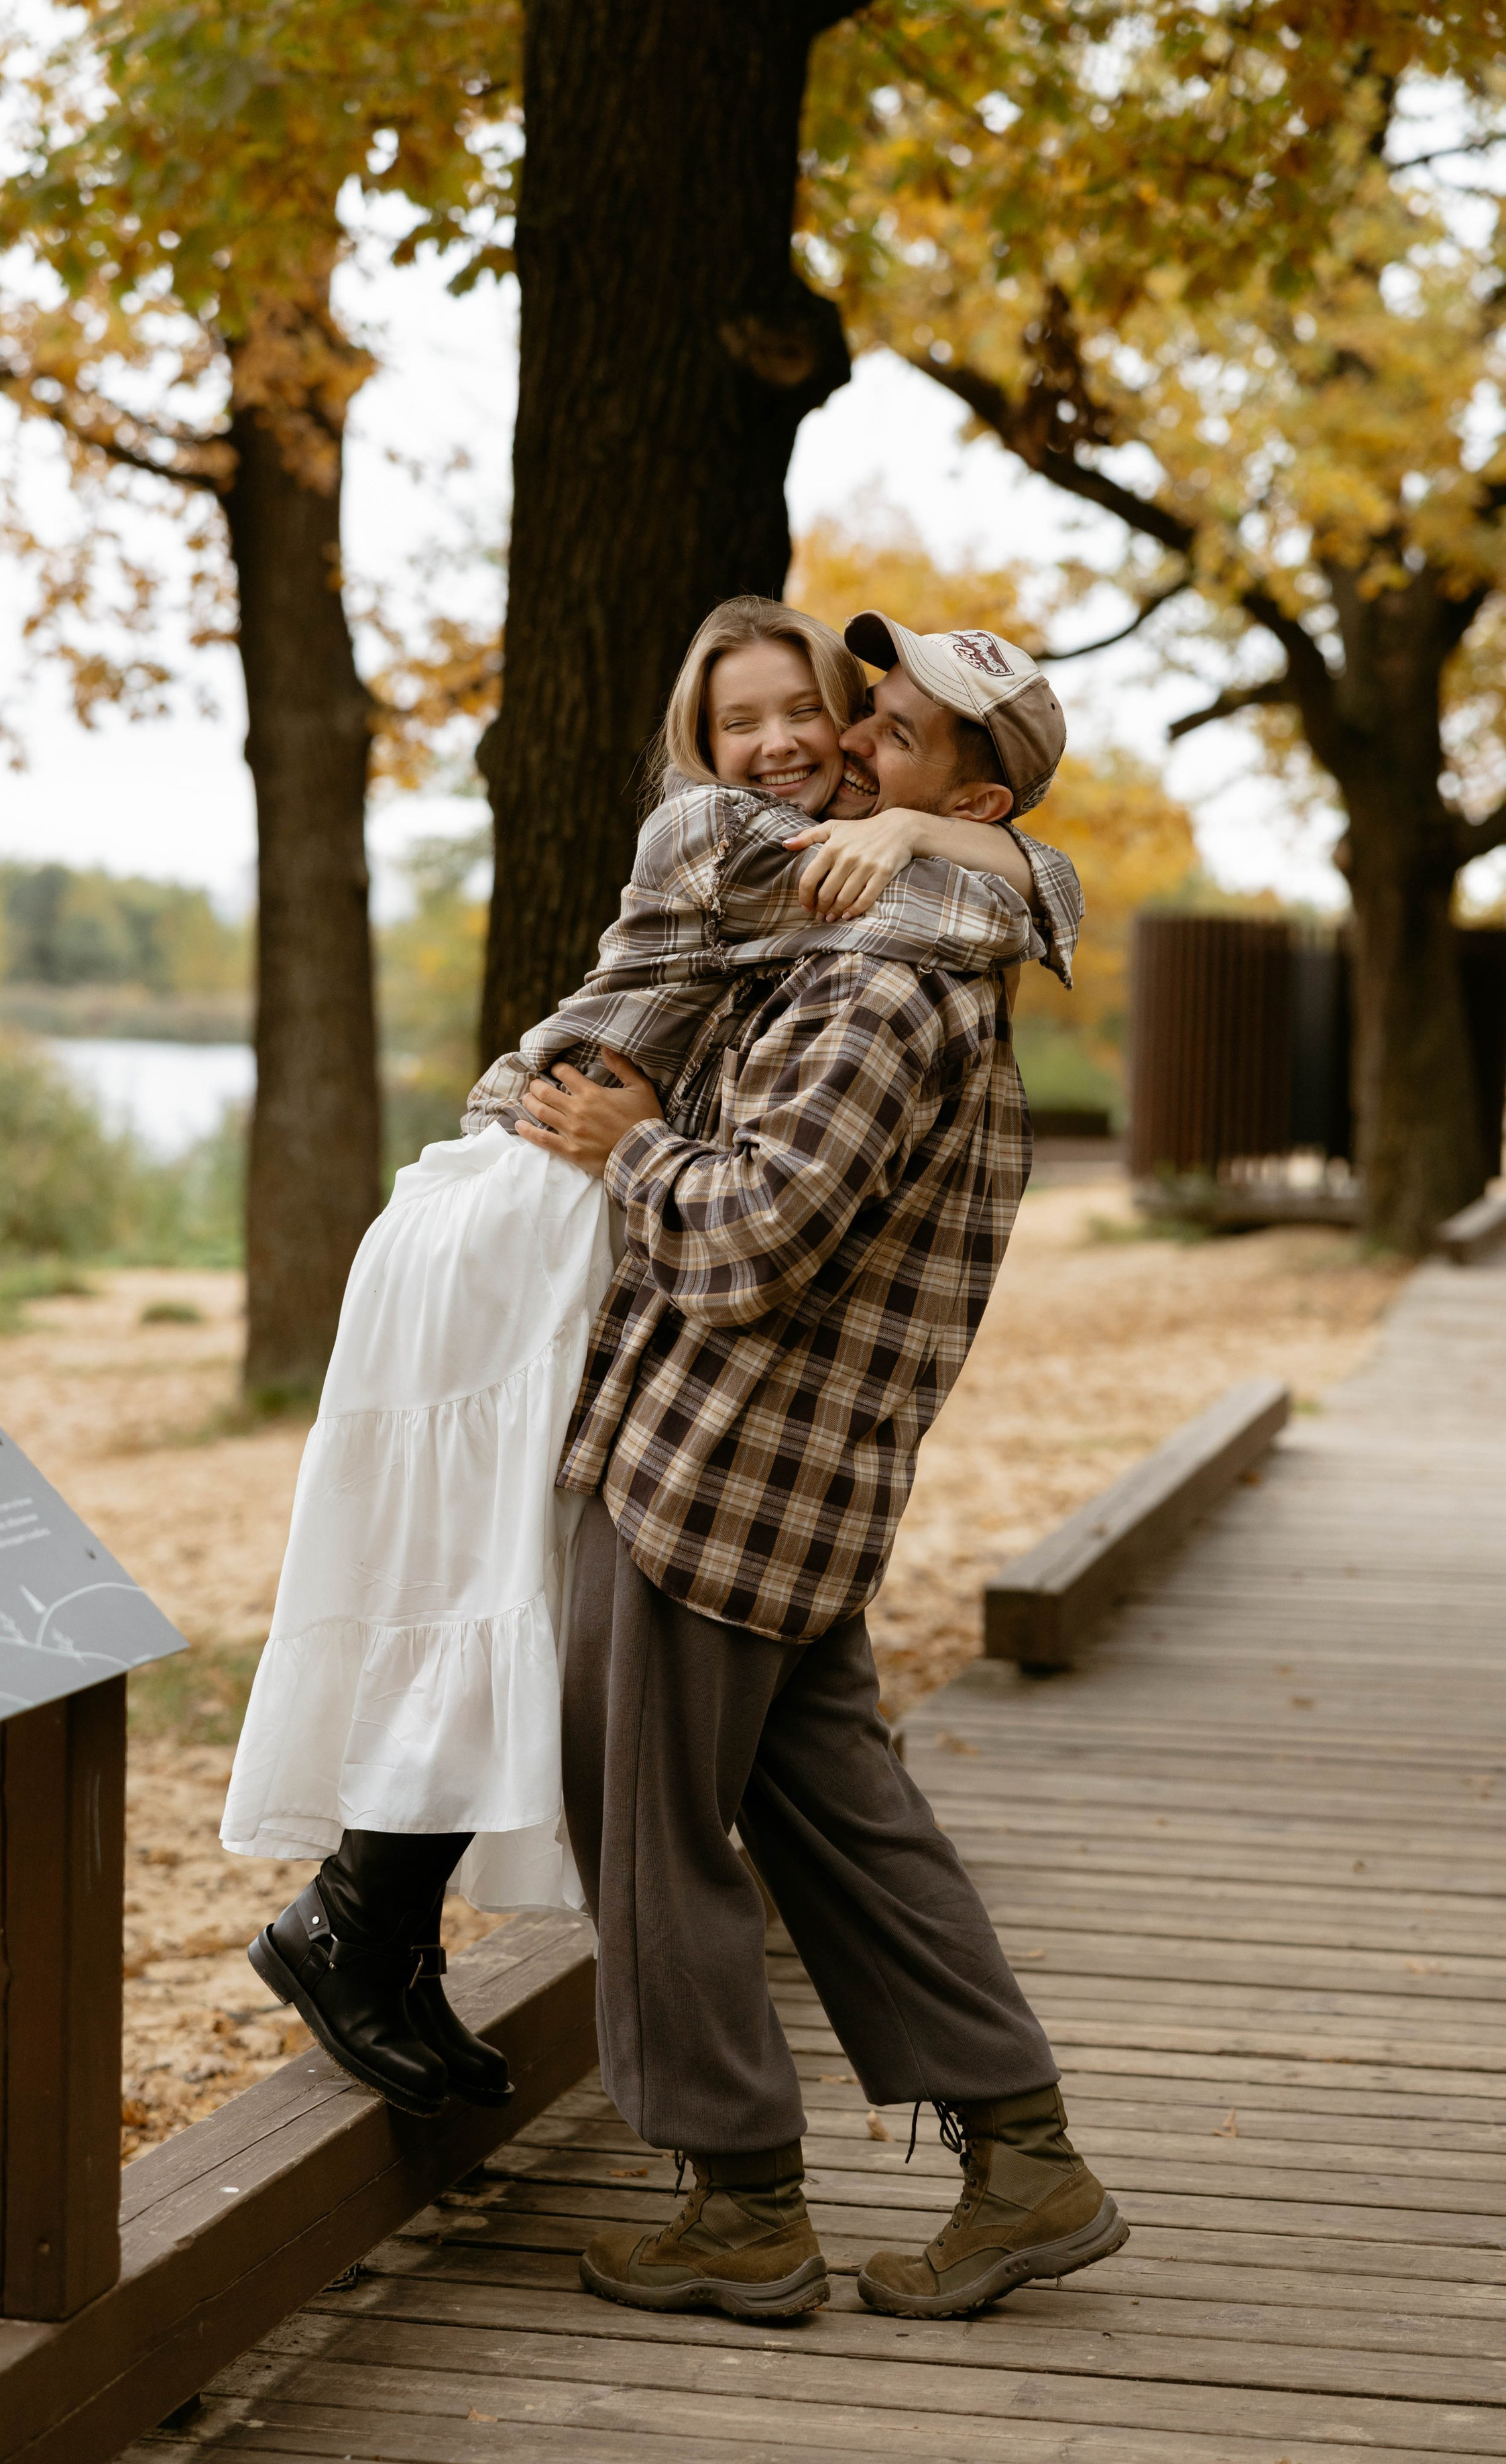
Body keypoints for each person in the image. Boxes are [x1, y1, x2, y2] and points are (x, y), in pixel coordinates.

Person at [225, 598, 1080, 2128]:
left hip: (603, 1213)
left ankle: (370, 1926)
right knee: (498, 1590)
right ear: (693, 749)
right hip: (528, 1208)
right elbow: (1015, 911)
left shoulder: (871, 867)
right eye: (737, 721)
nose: (794, 742)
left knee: (521, 1594)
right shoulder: (717, 839)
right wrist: (953, 847)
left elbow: (1024, 901)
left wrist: (942, 841)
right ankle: (355, 1924)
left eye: (824, 712)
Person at [517, 612, 1126, 2325]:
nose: (851, 750)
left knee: (649, 1828)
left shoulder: (879, 987)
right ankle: (1026, 2162)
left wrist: (628, 1144)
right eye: (857, 716)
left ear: (980, 799)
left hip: (716, 1476)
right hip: (793, 1485)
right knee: (842, 1816)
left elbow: (749, 1242)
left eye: (897, 739)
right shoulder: (882, 940)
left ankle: (736, 2206)